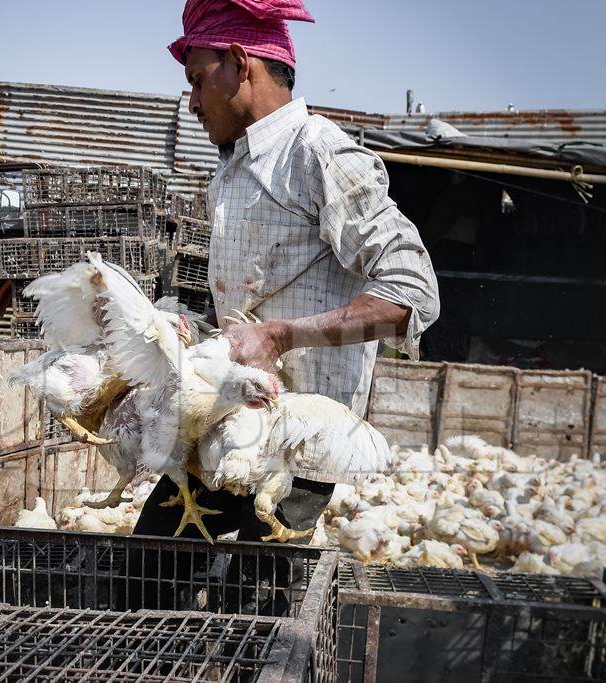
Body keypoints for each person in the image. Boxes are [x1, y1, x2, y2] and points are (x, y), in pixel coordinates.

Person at [128, 0, 439, 585]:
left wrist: (282, 336)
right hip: (229, 424)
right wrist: (186, 324)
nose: (191, 103)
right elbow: (250, 305)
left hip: (299, 444)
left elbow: (412, 294)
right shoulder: (233, 168)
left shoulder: (319, 155)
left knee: (259, 603)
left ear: (240, 64)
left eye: (197, 81)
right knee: (148, 567)